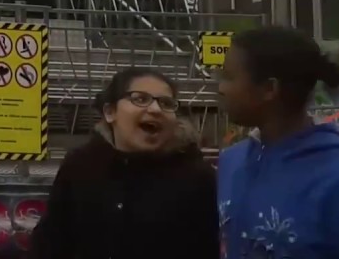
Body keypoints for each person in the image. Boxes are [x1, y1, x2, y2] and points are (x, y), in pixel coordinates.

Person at [30, 67, 218, 259]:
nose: (155, 109)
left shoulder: (198, 178)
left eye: (166, 103)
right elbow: (50, 243)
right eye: (140, 99)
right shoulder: (81, 166)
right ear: (110, 112)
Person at [217, 26, 339, 259]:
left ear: (269, 89)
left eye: (228, 77)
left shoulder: (338, 177)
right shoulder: (231, 161)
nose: (221, 88)